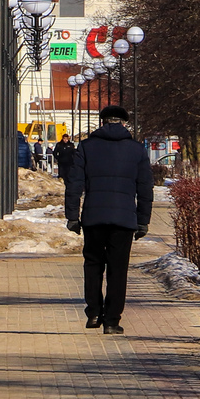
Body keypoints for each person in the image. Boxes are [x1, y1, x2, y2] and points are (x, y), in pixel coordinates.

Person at [64, 103, 154, 334]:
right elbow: (145, 188)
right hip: (124, 219)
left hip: (94, 216)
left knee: (93, 264)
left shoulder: (86, 147)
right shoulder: (137, 150)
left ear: (102, 122)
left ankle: (94, 312)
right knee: (118, 269)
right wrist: (143, 220)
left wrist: (72, 216)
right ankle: (112, 321)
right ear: (124, 123)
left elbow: (74, 185)